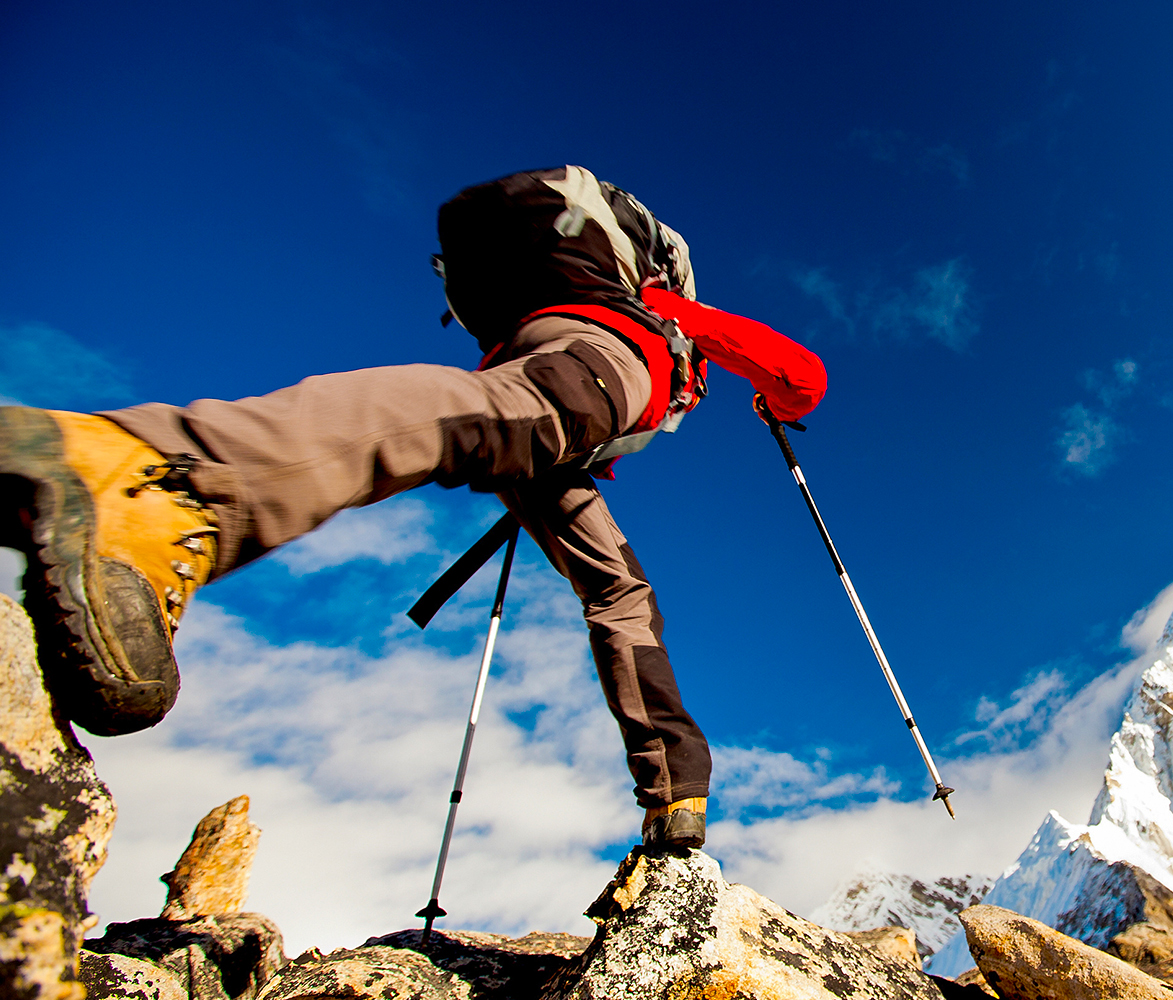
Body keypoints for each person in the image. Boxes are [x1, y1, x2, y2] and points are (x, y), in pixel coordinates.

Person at [0, 165, 826, 851]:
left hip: (544, 407)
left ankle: (674, 797)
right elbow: (798, 371)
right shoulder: (661, 314)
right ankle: (163, 479)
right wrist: (778, 402)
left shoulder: (554, 311)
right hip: (594, 366)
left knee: (618, 588)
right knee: (513, 427)